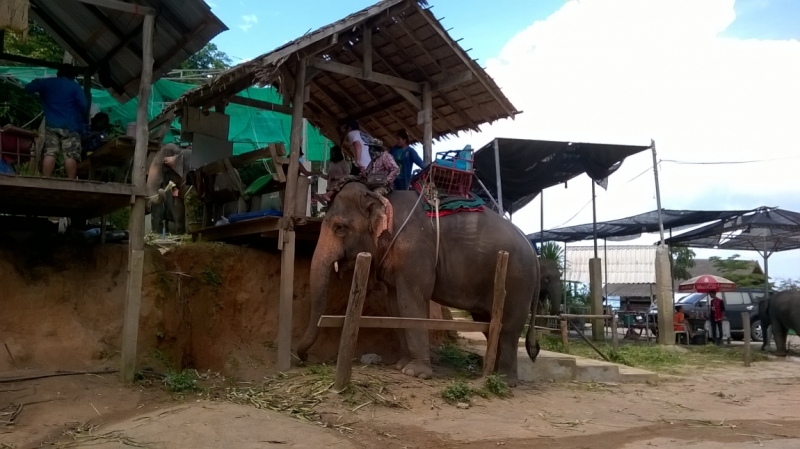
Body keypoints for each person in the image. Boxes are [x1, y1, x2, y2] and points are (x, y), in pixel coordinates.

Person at [25, 66, 88, 178]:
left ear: (59, 73)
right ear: (72, 76)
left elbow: (28, 88)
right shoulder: (74, 86)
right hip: (71, 126)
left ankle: (46, 179)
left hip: (51, 125)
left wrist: (37, 82)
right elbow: (83, 105)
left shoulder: (47, 83)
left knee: (50, 152)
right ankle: (71, 182)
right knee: (70, 155)